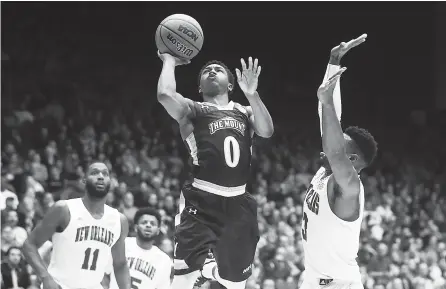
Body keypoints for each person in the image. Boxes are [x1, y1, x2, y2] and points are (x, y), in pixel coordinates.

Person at [156, 52, 274, 289]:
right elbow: (165, 95)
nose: (211, 71)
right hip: (202, 200)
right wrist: (169, 61)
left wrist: (253, 95)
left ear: (230, 84)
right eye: (206, 71)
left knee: (235, 283)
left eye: (217, 70)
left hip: (239, 203)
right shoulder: (194, 110)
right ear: (199, 87)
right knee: (182, 281)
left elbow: (267, 130)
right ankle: (204, 268)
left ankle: (211, 269)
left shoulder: (245, 111)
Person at [300, 34, 378, 289]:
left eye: (337, 142)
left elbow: (334, 150)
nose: (327, 143)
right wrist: (334, 61)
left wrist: (327, 102)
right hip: (313, 280)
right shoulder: (327, 171)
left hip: (338, 285)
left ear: (352, 159)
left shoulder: (349, 186)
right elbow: (328, 117)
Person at [22, 162, 131, 289]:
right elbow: (29, 245)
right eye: (94, 173)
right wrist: (45, 277)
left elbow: (120, 264)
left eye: (105, 174)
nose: (100, 176)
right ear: (84, 180)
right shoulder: (64, 209)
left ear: (110, 182)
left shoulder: (119, 220)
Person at [102, 207, 172, 289]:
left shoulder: (164, 260)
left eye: (152, 224)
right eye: (144, 222)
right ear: (136, 227)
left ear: (158, 231)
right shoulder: (121, 244)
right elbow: (104, 274)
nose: (148, 225)